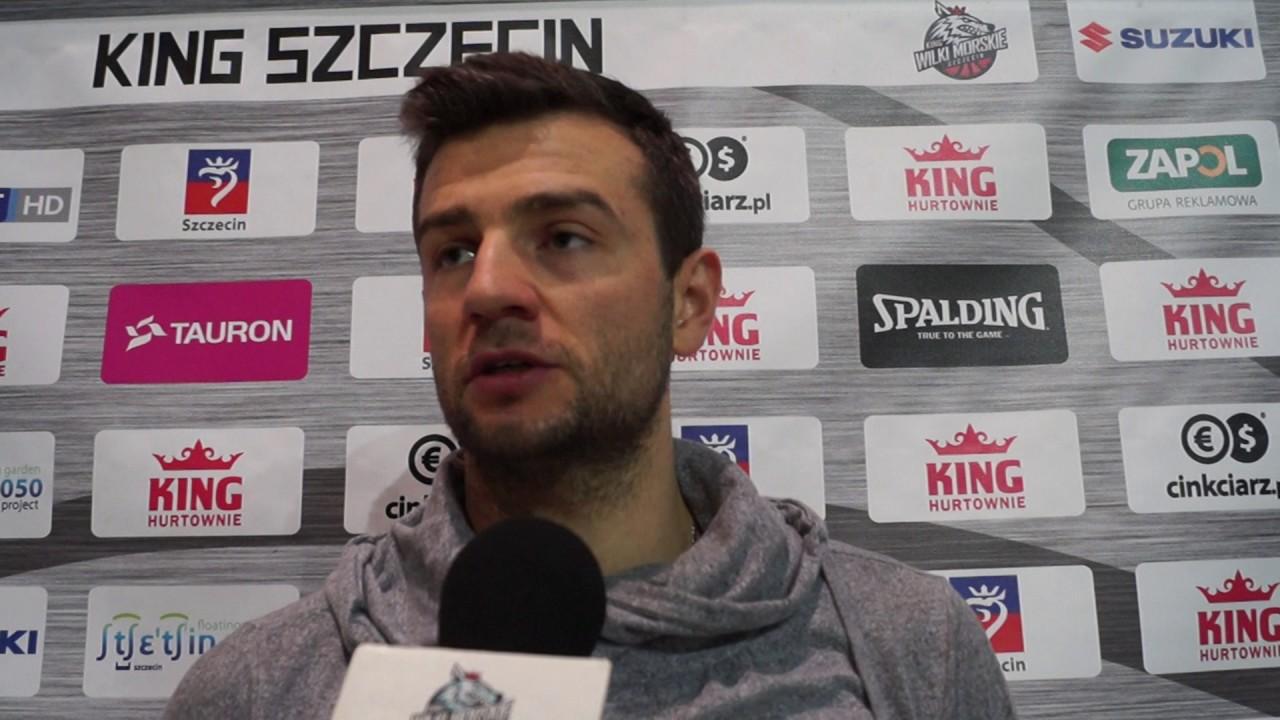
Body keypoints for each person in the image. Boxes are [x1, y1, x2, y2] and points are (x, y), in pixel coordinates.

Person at [165, 52, 1016, 719]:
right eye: (453, 251)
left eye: (564, 238)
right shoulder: (259, 688)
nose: (488, 288)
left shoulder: (911, 644)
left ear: (689, 303)